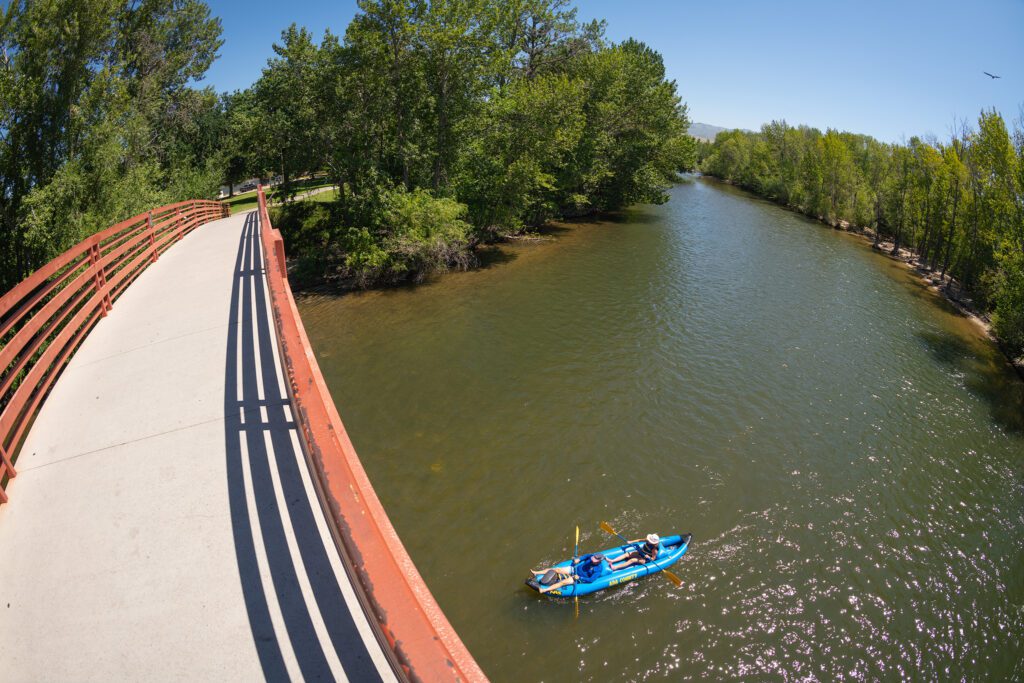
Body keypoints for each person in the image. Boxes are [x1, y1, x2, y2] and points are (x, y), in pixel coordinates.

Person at [530, 553, 611, 594]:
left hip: (578, 577)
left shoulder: (598, 569)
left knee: (563, 582)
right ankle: (536, 573)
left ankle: (544, 590)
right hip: (573, 569)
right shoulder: (592, 556)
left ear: (599, 561)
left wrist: (579, 578)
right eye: (594, 558)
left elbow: (591, 580)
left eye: (595, 559)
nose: (593, 559)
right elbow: (586, 556)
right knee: (556, 569)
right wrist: (578, 559)